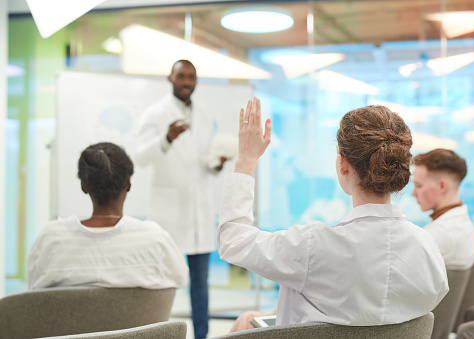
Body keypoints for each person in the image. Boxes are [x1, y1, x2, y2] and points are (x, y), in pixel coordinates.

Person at [217, 99, 449, 326]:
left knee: (246, 321)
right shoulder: (427, 249)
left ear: (343, 163)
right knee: (248, 320)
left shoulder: (313, 246)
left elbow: (232, 240)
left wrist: (246, 159)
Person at [135, 60, 225, 339]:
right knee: (161, 282)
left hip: (198, 214)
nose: (187, 81)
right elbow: (140, 156)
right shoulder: (155, 114)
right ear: (170, 78)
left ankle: (202, 335)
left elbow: (202, 160)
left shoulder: (204, 115)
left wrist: (216, 165)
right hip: (168, 215)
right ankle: (154, 333)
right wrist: (167, 138)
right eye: (181, 76)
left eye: (191, 77)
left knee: (200, 284)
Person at [27, 142, 188, 290]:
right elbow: (179, 279)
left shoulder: (51, 238)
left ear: (84, 186)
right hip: (137, 323)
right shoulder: (154, 238)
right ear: (128, 184)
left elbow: (34, 287)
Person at [412, 149, 474, 270]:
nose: (413, 193)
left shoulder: (439, 234)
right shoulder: (465, 225)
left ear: (442, 186)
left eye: (419, 186)